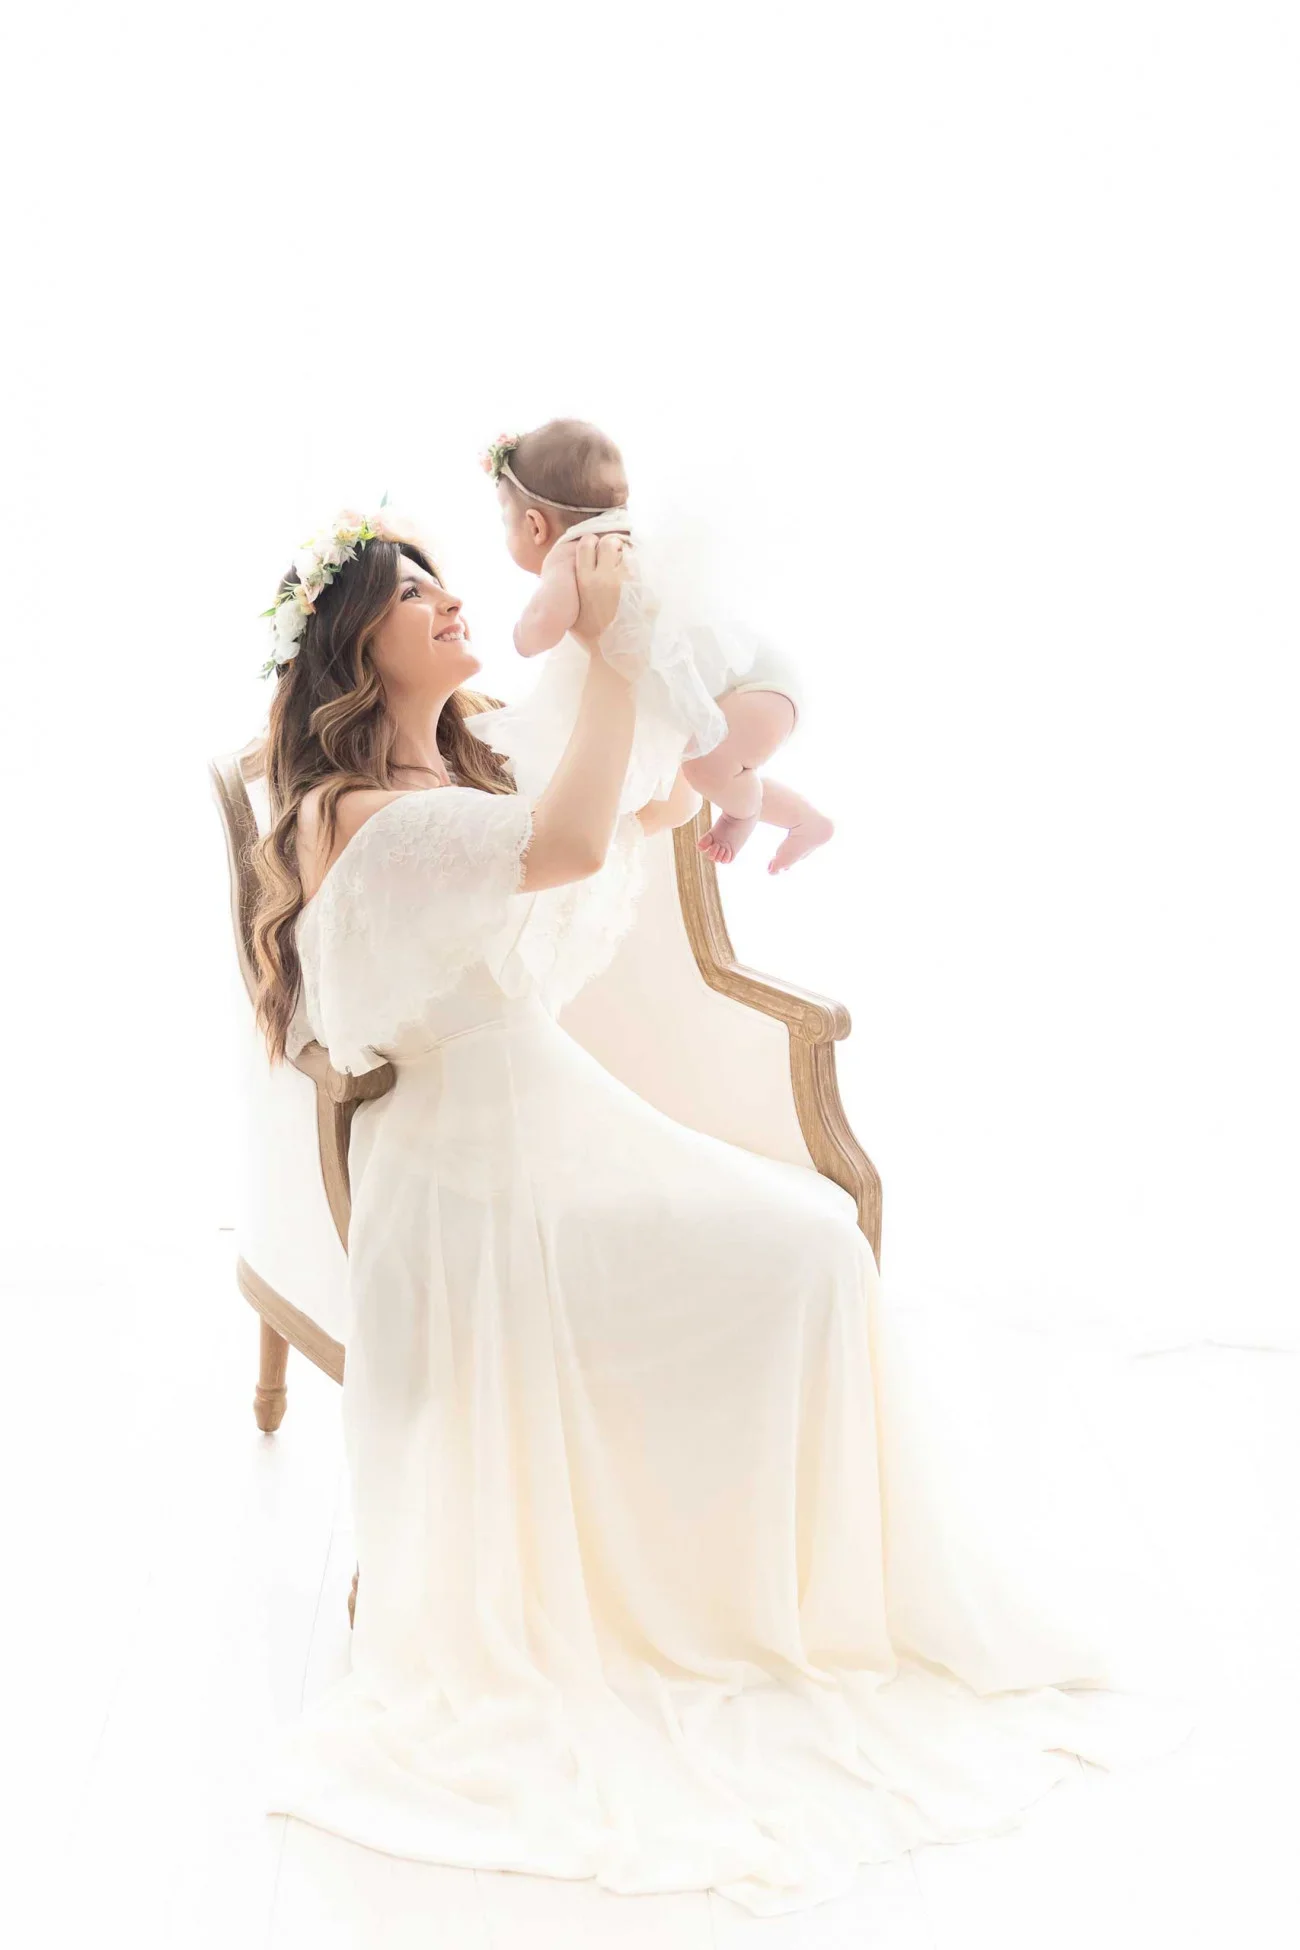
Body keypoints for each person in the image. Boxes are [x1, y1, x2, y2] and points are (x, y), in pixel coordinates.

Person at [246, 503, 1193, 1919]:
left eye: (444, 577)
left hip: (537, 1118)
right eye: (408, 590)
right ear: (354, 645)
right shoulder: (359, 814)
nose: (447, 598)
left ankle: (771, 1595)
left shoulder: (449, 775)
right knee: (796, 1253)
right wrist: (619, 646)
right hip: (469, 1176)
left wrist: (680, 744)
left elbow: (607, 820)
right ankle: (709, 1597)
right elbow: (566, 846)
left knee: (812, 1247)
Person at [468, 418, 834, 871]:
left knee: (706, 769)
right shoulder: (625, 537)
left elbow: (539, 631)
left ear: (534, 525)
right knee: (704, 765)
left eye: (505, 522)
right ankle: (804, 819)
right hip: (755, 678)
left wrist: (521, 633)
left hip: (750, 687)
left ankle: (744, 815)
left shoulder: (574, 552)